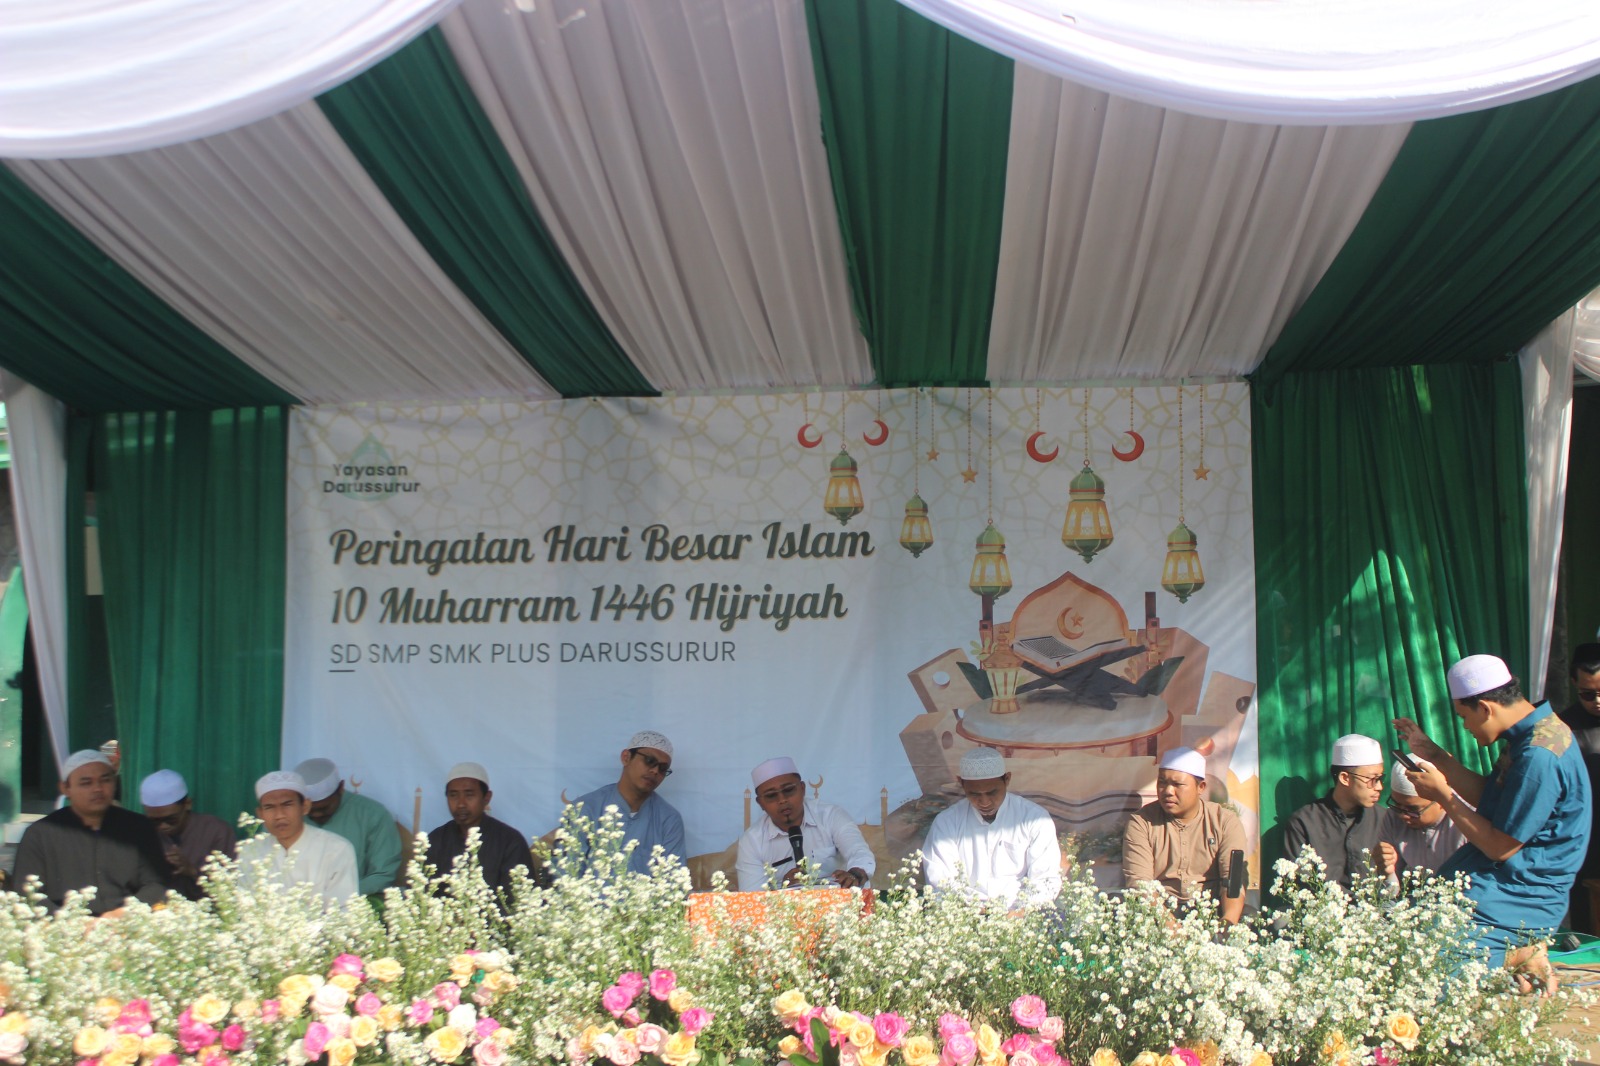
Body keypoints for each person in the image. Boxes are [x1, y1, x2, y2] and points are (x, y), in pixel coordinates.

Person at [1396, 653, 1590, 977]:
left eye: (1464, 716)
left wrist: (1444, 797)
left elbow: (1501, 846)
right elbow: (1492, 800)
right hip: (1493, 881)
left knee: (1429, 967)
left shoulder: (1539, 754)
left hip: (1518, 894)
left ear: (1485, 708)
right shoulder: (1529, 734)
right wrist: (1434, 755)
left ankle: (1519, 956)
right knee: (1406, 932)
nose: (1465, 727)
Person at [12, 749, 172, 915]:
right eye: (86, 783)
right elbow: (27, 894)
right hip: (64, 925)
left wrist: (121, 916)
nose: (98, 789)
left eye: (105, 780)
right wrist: (73, 922)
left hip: (128, 922)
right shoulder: (40, 834)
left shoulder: (139, 827)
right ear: (65, 788)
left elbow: (157, 883)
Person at [922, 747, 1061, 908]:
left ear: (1007, 779)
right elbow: (939, 880)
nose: (984, 802)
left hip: (1021, 914)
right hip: (965, 914)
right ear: (961, 783)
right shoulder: (947, 822)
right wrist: (967, 912)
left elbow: (1045, 879)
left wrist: (1020, 913)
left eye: (992, 792)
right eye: (975, 794)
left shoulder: (1034, 818)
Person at [1122, 747, 1247, 923]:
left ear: (1200, 787)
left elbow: (1233, 880)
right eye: (1162, 782)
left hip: (1211, 908)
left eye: (1177, 784)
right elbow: (1141, 884)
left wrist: (1227, 923)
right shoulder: (1141, 822)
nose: (1168, 791)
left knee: (1250, 919)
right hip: (1159, 911)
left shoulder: (1224, 821)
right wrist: (1171, 928)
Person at [735, 757, 874, 890]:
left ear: (802, 789)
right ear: (760, 803)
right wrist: (784, 890)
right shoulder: (752, 842)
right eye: (771, 795)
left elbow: (859, 853)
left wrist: (855, 874)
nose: (782, 800)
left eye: (788, 790)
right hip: (785, 906)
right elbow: (752, 895)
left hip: (840, 901)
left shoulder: (830, 816)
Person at [1282, 734, 1396, 889]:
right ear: (1345, 778)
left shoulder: (1385, 819)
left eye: (1380, 779)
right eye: (1372, 779)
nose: (1379, 787)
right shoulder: (1304, 823)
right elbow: (1300, 884)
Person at [569, 730, 686, 875]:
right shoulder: (585, 809)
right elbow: (567, 874)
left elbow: (674, 879)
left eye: (663, 769)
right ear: (626, 757)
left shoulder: (668, 820)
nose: (655, 771)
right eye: (650, 761)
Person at [238, 770, 358, 907]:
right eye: (269, 807)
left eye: (287, 805)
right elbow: (244, 908)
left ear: (305, 807)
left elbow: (344, 909)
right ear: (260, 814)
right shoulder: (250, 852)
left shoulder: (336, 849)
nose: (279, 815)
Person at [424, 762, 537, 902]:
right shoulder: (436, 840)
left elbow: (517, 900)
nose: (461, 804)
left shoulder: (510, 841)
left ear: (486, 797)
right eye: (453, 795)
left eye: (469, 795)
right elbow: (424, 896)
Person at [293, 758, 402, 896]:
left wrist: (338, 897)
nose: (316, 814)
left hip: (352, 902)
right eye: (309, 810)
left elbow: (382, 874)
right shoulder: (288, 817)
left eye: (324, 808)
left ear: (341, 789)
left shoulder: (372, 815)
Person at [139, 768, 236, 900]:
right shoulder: (143, 833)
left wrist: (191, 871)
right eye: (155, 821)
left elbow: (228, 889)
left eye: (170, 819)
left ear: (188, 804)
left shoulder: (216, 831)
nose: (163, 826)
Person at [1557, 643, 1600, 931]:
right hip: (1587, 844)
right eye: (1588, 694)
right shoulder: (1564, 728)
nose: (1597, 701)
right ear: (1574, 684)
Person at [1378, 759, 1465, 879]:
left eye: (1412, 809)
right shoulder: (1393, 817)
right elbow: (1392, 884)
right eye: (1397, 804)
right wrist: (1386, 870)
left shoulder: (1466, 820)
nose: (1403, 815)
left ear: (1441, 801)